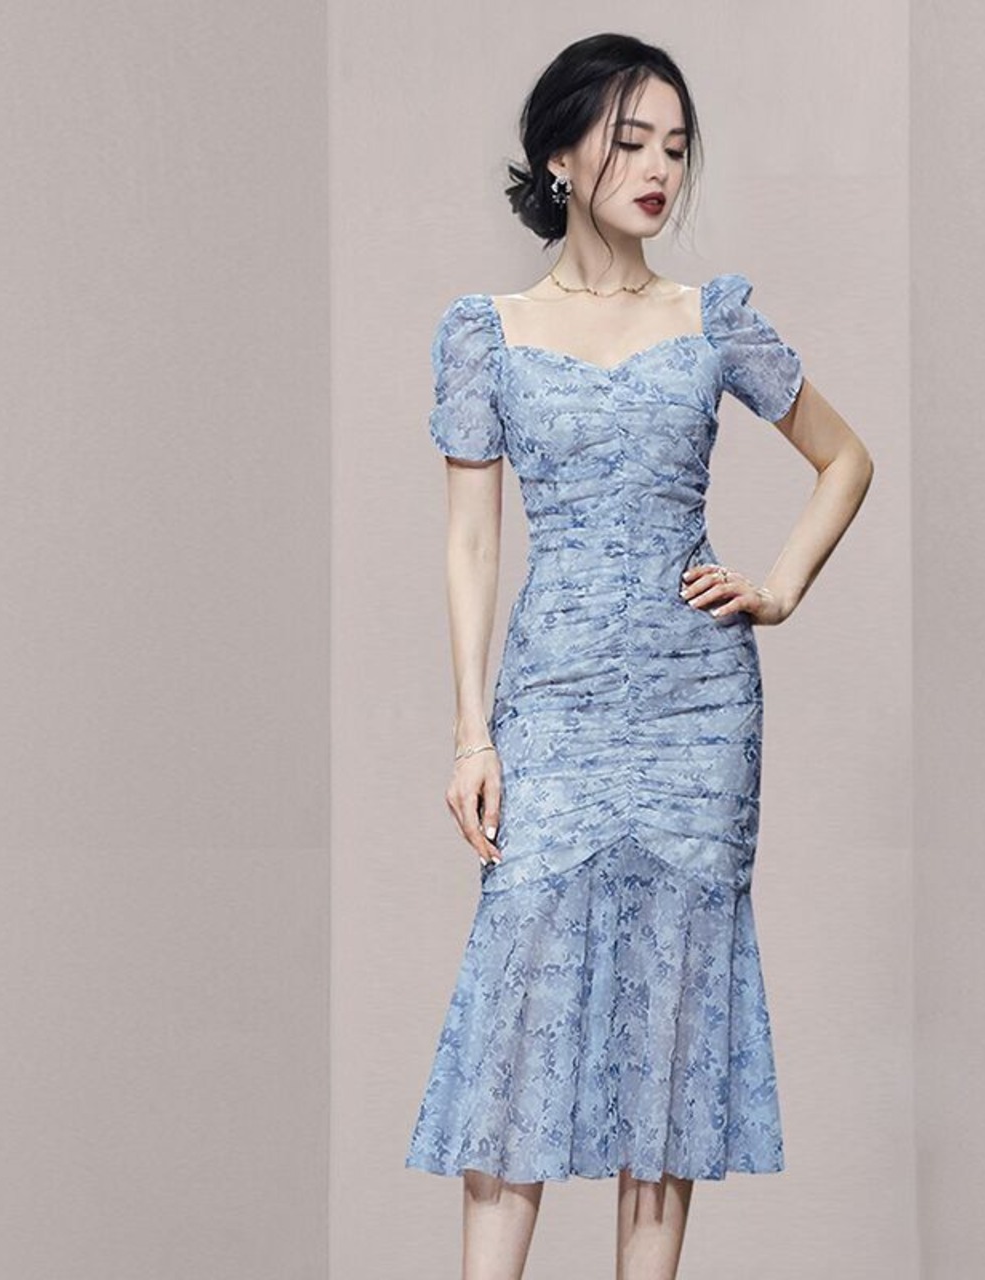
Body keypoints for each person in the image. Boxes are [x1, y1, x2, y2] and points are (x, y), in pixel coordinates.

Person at [405, 31, 874, 1280]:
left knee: (668, 1036)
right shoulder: (488, 332)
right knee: (517, 1032)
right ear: (560, 155)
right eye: (630, 142)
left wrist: (776, 587)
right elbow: (470, 543)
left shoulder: (708, 318)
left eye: (674, 145)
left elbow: (844, 459)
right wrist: (470, 733)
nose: (659, 167)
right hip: (553, 702)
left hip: (694, 708)